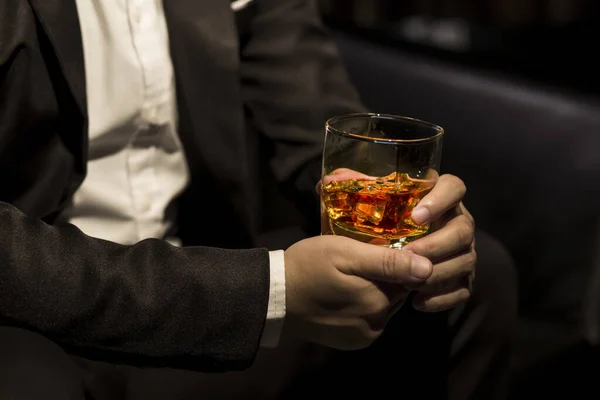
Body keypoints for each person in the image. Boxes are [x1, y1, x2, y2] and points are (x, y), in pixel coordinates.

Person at [0, 0, 517, 399]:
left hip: (198, 258)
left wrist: (409, 216)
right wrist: (264, 292)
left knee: (465, 279)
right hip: (38, 309)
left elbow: (316, 115)